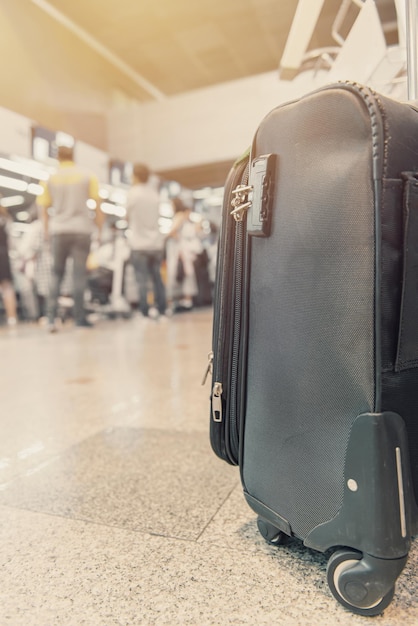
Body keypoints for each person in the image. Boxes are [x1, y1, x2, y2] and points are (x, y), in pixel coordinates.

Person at [37, 145, 104, 331]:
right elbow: (98, 205)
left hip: (59, 230)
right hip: (82, 230)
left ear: (57, 157)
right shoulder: (87, 175)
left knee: (56, 274)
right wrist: (99, 230)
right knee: (79, 275)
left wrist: (46, 233)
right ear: (73, 156)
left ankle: (51, 318)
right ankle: (79, 319)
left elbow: (43, 209)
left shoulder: (50, 178)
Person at [126, 163, 166, 319]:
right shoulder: (154, 194)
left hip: (139, 244)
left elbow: (127, 216)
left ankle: (145, 312)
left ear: (135, 176)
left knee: (142, 280)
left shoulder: (133, 193)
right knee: (157, 279)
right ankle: (162, 311)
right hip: (156, 243)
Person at [165, 197, 203, 312]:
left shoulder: (179, 216)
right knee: (184, 275)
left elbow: (172, 231)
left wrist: (166, 237)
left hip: (177, 251)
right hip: (181, 251)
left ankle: (174, 302)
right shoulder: (185, 220)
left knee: (175, 275)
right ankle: (185, 301)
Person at [0, 199, 18, 326]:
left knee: (7, 288)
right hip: (3, 256)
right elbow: (12, 241)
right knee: (7, 288)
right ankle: (12, 318)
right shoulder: (5, 218)